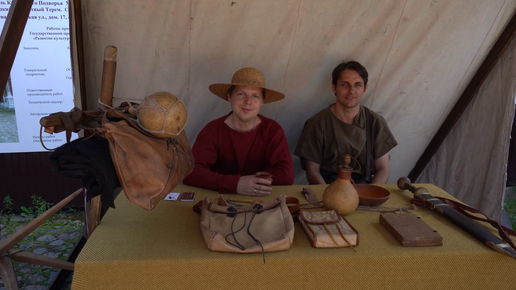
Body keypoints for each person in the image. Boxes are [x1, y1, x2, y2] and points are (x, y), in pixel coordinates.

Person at [183, 67, 294, 195]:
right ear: (229, 96)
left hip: (261, 200)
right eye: (241, 94)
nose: (248, 102)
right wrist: (235, 184)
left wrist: (249, 184)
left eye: (255, 96)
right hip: (219, 200)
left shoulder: (272, 130)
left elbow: (286, 175)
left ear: (262, 101)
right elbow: (190, 173)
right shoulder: (213, 130)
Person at [294, 61, 397, 184]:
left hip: (365, 190)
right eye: (344, 84)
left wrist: (370, 196)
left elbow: (383, 169)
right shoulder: (317, 123)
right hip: (327, 189)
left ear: (365, 89)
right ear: (334, 87)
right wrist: (330, 197)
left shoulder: (375, 122)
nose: (351, 90)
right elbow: (312, 172)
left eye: (357, 85)